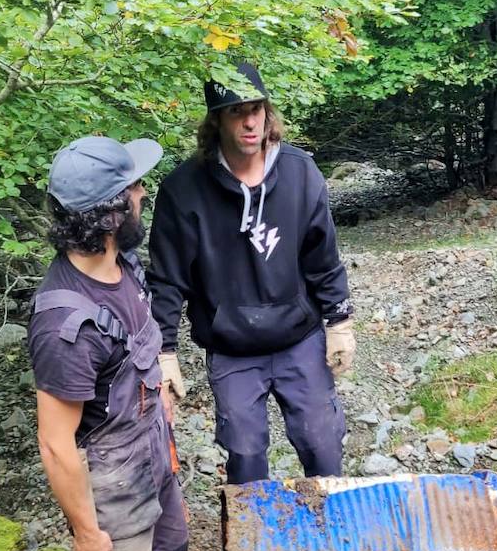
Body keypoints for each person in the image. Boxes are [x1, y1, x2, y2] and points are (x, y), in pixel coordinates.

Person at [28, 135, 224, 551]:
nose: (144, 194)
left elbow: (140, 353)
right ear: (111, 213)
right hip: (109, 470)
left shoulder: (124, 266)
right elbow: (57, 444)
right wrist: (86, 530)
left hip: (152, 445)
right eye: (134, 189)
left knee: (173, 548)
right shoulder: (64, 324)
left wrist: (161, 397)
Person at [147, 61, 355, 484]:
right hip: (232, 346)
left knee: (323, 443)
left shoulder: (300, 172)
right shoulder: (183, 190)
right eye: (235, 111)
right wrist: (163, 353)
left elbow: (322, 255)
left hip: (299, 336)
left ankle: (331, 530)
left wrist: (340, 320)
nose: (249, 121)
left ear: (268, 112)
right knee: (244, 456)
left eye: (256, 108)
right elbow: (167, 278)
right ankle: (253, 542)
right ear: (216, 121)